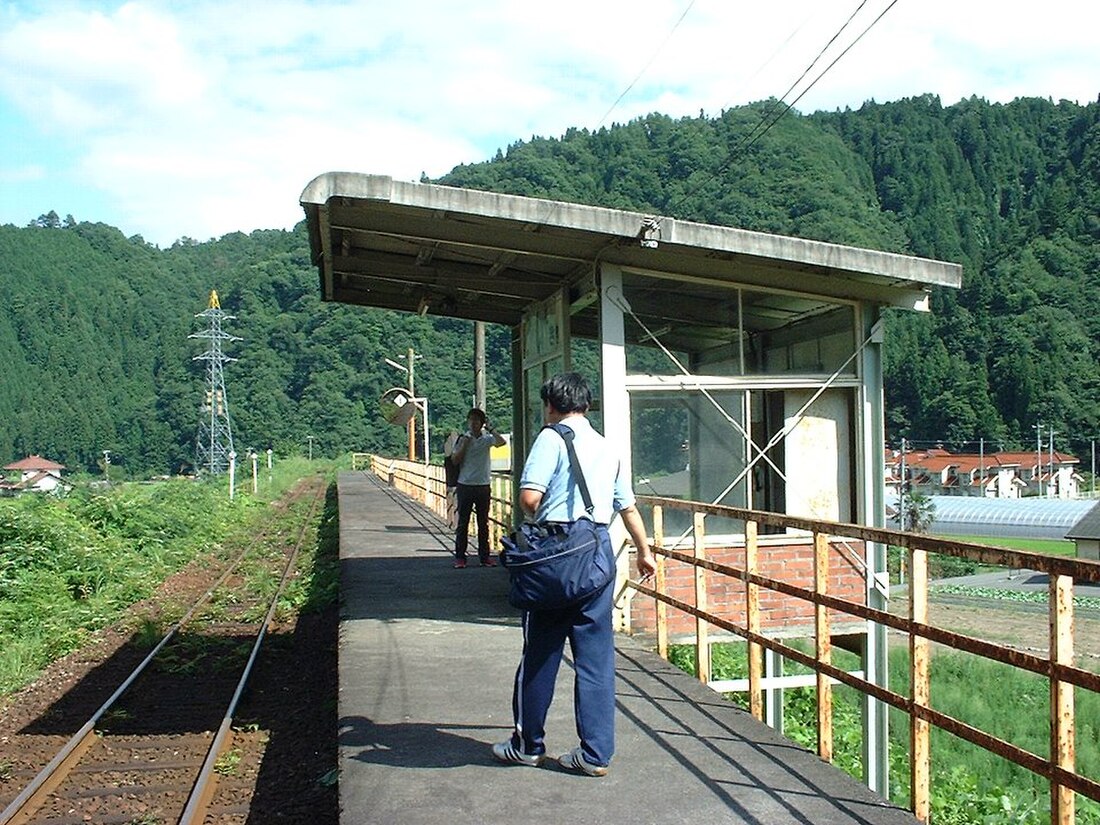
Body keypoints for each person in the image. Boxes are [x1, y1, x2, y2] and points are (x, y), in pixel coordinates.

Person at [492, 372, 656, 777]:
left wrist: (542, 514)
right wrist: (644, 552)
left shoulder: (550, 437)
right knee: (596, 660)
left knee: (540, 654)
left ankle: (527, 745)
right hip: (599, 555)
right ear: (586, 404)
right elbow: (627, 507)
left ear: (551, 404)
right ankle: (595, 755)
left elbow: (530, 497)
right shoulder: (607, 447)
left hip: (558, 556)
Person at [451, 408, 506, 568]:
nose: (473, 423)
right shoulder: (463, 439)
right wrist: (465, 445)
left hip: (483, 485)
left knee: (483, 523)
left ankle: (485, 557)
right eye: (471, 420)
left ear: (482, 423)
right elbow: (455, 460)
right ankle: (460, 557)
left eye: (476, 420)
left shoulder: (487, 439)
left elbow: (502, 442)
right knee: (463, 523)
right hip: (465, 485)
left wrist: (491, 428)